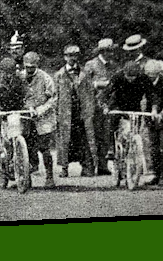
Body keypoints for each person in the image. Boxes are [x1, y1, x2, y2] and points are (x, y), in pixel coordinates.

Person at [52, 45, 97, 178]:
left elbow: (90, 93)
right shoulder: (59, 75)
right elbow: (55, 96)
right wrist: (56, 114)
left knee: (85, 139)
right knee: (65, 141)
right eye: (69, 55)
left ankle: (87, 166)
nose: (72, 58)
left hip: (82, 112)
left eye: (75, 55)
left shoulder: (85, 73)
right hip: (65, 113)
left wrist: (89, 110)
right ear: (65, 57)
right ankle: (64, 168)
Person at [82, 38, 118, 175]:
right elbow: (85, 84)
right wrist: (99, 84)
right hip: (93, 105)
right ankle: (88, 167)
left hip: (108, 104)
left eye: (111, 51)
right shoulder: (91, 65)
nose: (111, 53)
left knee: (106, 135)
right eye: (108, 51)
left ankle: (103, 165)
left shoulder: (113, 66)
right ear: (102, 51)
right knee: (91, 135)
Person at [20, 52, 57, 187]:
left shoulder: (45, 78)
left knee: (44, 147)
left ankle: (49, 176)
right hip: (26, 118)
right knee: (27, 146)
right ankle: (27, 177)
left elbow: (52, 99)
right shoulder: (20, 77)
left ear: (37, 65)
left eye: (32, 67)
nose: (29, 69)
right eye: (27, 66)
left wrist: (40, 111)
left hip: (43, 119)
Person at [0, 58, 28, 157]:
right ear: (1, 71)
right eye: (6, 73)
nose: (8, 75)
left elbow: (27, 93)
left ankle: (22, 148)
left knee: (24, 124)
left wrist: (30, 106)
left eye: (11, 72)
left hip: (15, 105)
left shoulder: (19, 78)